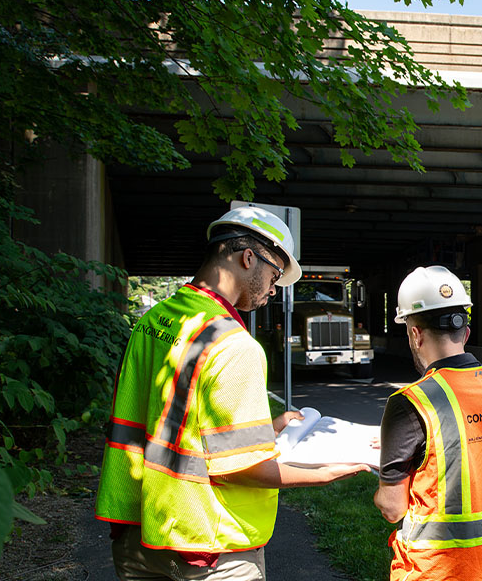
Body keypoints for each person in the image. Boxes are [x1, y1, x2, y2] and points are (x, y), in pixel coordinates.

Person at [95, 206, 369, 580]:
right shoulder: (233, 344)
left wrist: (266, 429)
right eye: (274, 275)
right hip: (208, 546)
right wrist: (323, 473)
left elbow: (173, 417)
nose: (274, 289)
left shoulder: (154, 321)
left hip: (139, 531)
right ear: (248, 258)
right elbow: (242, 469)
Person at [374, 266, 482, 580]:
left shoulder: (411, 402)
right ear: (465, 332)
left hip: (434, 571)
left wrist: (380, 484)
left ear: (415, 334)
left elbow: (392, 509)